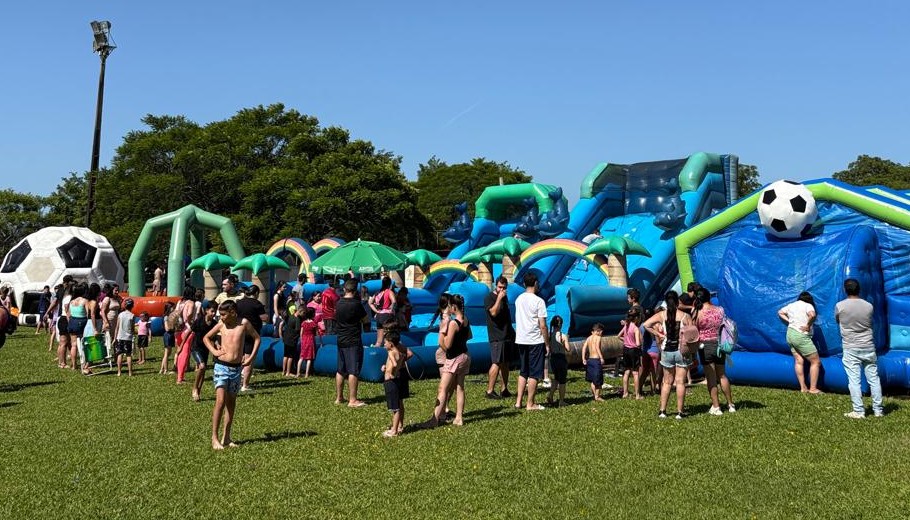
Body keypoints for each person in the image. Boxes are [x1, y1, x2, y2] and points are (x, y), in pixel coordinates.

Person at [203, 300, 261, 450]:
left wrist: (250, 358)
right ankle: (214, 438)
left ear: (233, 313)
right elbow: (206, 337)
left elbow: (257, 339)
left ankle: (226, 437)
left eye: (223, 314)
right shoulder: (221, 325)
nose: (220, 317)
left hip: (236, 369)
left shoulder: (244, 323)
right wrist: (214, 351)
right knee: (220, 401)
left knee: (231, 404)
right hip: (221, 367)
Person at [836, 279, 884, 418]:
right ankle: (878, 410)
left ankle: (858, 411)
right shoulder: (869, 306)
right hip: (868, 345)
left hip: (851, 347)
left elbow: (838, 320)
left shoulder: (840, 306)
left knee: (854, 380)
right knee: (874, 379)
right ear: (859, 289)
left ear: (845, 290)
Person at [644, 291, 696, 419]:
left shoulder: (661, 315)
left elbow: (646, 325)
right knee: (680, 382)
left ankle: (662, 411)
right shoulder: (684, 316)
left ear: (666, 301)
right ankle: (680, 412)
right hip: (682, 351)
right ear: (678, 301)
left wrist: (659, 334)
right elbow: (692, 333)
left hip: (667, 350)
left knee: (666, 382)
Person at [427, 294, 471, 427]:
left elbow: (447, 344)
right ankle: (459, 418)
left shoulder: (453, 323)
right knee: (460, 388)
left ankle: (434, 419)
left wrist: (442, 334)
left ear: (454, 307)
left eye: (450, 306)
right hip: (465, 355)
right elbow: (469, 335)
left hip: (454, 358)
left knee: (443, 388)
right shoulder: (466, 320)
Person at [693, 288, 735, 415]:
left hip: (705, 346)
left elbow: (695, 330)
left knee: (711, 378)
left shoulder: (697, 312)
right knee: (722, 375)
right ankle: (730, 404)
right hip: (719, 344)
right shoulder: (720, 310)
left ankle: (716, 406)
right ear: (709, 298)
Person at [513, 272, 549, 411]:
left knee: (523, 371)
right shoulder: (539, 301)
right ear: (535, 283)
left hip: (521, 339)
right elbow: (543, 325)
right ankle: (530, 403)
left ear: (524, 284)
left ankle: (518, 402)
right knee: (534, 373)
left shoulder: (518, 299)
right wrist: (546, 343)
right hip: (535, 340)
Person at [778, 292, 822, 394]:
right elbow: (812, 315)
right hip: (801, 335)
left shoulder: (792, 305)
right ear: (809, 299)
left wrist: (789, 321)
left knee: (799, 361)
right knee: (816, 362)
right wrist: (808, 325)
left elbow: (780, 312)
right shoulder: (808, 305)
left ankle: (803, 388)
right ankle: (813, 388)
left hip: (790, 334)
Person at [335, 278, 368, 407]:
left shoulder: (339, 303)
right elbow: (366, 320)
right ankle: (352, 400)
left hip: (341, 339)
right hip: (353, 340)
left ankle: (339, 397)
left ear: (345, 289)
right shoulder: (356, 304)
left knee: (340, 370)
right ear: (355, 291)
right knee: (353, 370)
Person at [485, 277, 514, 399]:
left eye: (504, 288)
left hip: (506, 335)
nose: (501, 290)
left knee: (505, 363)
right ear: (495, 286)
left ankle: (504, 389)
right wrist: (499, 298)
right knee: (496, 362)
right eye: (499, 287)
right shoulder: (489, 298)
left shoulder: (505, 298)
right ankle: (490, 390)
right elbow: (493, 312)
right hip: (496, 336)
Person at [381, 328, 413, 437]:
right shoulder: (399, 350)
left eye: (385, 342)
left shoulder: (391, 351)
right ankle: (399, 426)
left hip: (393, 379)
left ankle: (394, 429)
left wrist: (391, 373)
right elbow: (401, 359)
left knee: (395, 407)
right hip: (398, 376)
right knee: (399, 403)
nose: (383, 343)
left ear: (390, 343)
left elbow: (394, 363)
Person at [236, 285, 268, 391]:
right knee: (249, 358)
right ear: (256, 293)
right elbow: (264, 318)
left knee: (240, 357)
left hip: (239, 332)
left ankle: (237, 379)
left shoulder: (239, 302)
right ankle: (245, 385)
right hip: (252, 333)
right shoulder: (257, 304)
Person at [191, 301, 217, 402]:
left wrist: (217, 346)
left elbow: (215, 337)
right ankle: (194, 388)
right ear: (206, 311)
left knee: (203, 370)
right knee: (201, 366)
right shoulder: (199, 320)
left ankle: (198, 392)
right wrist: (181, 347)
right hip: (196, 347)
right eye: (212, 311)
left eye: (215, 311)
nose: (214, 313)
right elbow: (190, 332)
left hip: (206, 349)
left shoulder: (214, 324)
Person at [619, 309, 643, 400]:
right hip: (633, 350)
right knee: (635, 373)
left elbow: (618, 336)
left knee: (626, 372)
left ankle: (625, 393)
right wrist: (639, 342)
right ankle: (637, 395)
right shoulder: (635, 328)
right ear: (636, 318)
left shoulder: (626, 326)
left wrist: (625, 341)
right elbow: (637, 343)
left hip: (625, 349)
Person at [547, 315, 569, 407]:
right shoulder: (563, 336)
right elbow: (568, 349)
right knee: (562, 381)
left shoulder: (549, 335)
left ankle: (550, 395)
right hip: (561, 359)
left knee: (556, 379)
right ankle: (561, 401)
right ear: (561, 325)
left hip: (553, 359)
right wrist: (564, 343)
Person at [370, 276, 396, 347]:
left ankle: (375, 351)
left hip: (379, 316)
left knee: (379, 341)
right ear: (389, 283)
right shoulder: (389, 292)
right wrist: (391, 309)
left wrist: (376, 311)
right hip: (387, 316)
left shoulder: (377, 292)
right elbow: (394, 301)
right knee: (388, 339)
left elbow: (370, 303)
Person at [582, 323, 605, 402]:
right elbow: (597, 347)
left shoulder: (589, 338)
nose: (602, 333)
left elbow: (584, 348)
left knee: (592, 380)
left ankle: (595, 395)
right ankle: (597, 396)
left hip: (590, 360)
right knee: (598, 381)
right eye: (602, 332)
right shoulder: (598, 338)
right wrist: (601, 357)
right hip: (596, 360)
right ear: (598, 331)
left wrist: (583, 358)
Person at [115, 298, 136, 376]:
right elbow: (132, 327)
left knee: (119, 354)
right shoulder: (132, 316)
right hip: (128, 337)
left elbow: (117, 327)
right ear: (132, 306)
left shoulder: (120, 314)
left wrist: (115, 337)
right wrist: (133, 333)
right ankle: (130, 372)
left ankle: (119, 372)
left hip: (120, 336)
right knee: (128, 354)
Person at [100, 284, 122, 358]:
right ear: (111, 290)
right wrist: (106, 322)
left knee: (116, 338)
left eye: (118, 290)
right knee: (107, 339)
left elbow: (120, 309)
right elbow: (102, 311)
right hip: (109, 321)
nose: (117, 292)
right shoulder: (107, 299)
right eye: (115, 290)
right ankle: (106, 357)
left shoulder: (118, 298)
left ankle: (116, 356)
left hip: (116, 321)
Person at [281, 306, 301, 378]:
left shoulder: (290, 317)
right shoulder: (297, 319)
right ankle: (288, 372)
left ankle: (283, 371)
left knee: (285, 355)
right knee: (290, 356)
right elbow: (297, 330)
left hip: (286, 338)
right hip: (292, 339)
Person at [298, 307, 318, 378]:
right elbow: (317, 332)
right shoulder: (313, 323)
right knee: (309, 358)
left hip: (304, 339)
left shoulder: (303, 323)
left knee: (301, 357)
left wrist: (301, 340)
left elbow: (301, 333)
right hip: (310, 340)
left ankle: (298, 373)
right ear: (313, 315)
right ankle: (306, 374)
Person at [160, 302, 178, 375]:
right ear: (169, 308)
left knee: (168, 353)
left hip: (170, 335)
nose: (174, 309)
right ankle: (165, 370)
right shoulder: (166, 317)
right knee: (166, 353)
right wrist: (173, 328)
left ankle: (162, 369)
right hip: (168, 335)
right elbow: (167, 328)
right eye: (173, 308)